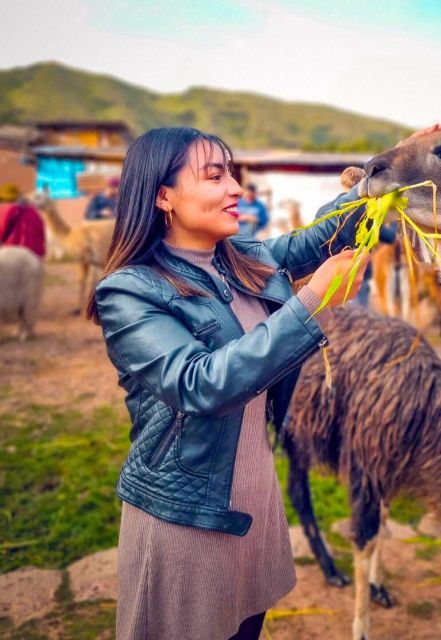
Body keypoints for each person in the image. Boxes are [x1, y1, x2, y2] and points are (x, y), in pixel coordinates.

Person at [86, 127, 368, 640]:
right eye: (215, 176)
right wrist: (312, 302)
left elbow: (317, 239)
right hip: (187, 514)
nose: (236, 188)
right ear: (162, 195)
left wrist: (382, 180)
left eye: (232, 173)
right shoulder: (127, 292)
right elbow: (199, 385)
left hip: (251, 497)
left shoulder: (239, 259)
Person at [0, 185, 46, 258]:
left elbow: (1, 229)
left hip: (13, 252)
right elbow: (41, 234)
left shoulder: (6, 210)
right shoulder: (34, 212)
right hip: (34, 254)